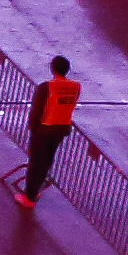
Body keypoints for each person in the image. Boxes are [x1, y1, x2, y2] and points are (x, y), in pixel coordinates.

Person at [23, 58, 80, 200]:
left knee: (36, 161)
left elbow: (36, 111)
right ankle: (35, 191)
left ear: (53, 68)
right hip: (61, 128)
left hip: (44, 128)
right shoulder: (76, 87)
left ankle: (29, 196)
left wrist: (32, 127)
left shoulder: (46, 87)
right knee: (47, 160)